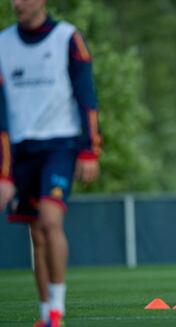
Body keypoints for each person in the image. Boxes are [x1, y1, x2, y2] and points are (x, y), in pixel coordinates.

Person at [0, 1, 101, 326]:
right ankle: (47, 315)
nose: (18, 3)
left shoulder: (67, 37)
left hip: (60, 144)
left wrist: (90, 150)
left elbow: (87, 97)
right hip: (20, 150)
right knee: (37, 233)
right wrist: (4, 171)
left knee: (50, 219)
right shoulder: (3, 43)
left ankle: (57, 309)